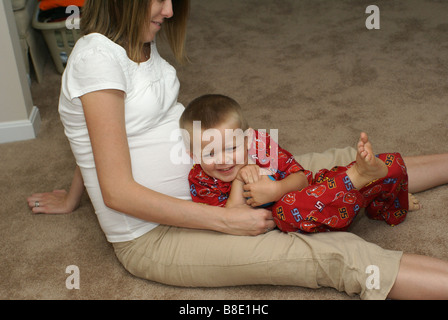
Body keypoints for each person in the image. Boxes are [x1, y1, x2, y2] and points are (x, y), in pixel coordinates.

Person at [27, 0, 448, 300]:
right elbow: (117, 191)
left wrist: (73, 195)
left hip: (216, 171)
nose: (170, 10)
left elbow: (99, 136)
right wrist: (227, 222)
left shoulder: (137, 44)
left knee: (342, 163)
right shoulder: (94, 57)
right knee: (337, 256)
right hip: (159, 233)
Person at [180, 94, 418, 233]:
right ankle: (356, 182)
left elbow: (302, 177)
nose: (222, 160)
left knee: (390, 164)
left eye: (232, 148)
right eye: (209, 153)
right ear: (193, 155)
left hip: (314, 190)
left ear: (248, 138)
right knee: (285, 210)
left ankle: (377, 198)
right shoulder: (201, 180)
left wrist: (276, 188)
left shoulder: (261, 146)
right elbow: (231, 219)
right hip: (298, 214)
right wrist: (239, 180)